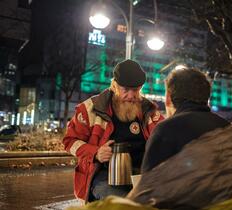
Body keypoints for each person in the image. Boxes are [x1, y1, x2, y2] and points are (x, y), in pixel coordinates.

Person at [127, 68, 232, 210]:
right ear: (206, 99)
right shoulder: (231, 128)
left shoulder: (165, 129)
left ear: (168, 98)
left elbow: (148, 192)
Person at [63, 59, 163, 203]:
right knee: (124, 203)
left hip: (141, 176)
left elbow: (164, 136)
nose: (131, 95)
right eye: (125, 90)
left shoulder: (148, 111)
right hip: (103, 176)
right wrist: (96, 153)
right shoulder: (90, 109)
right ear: (114, 85)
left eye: (135, 90)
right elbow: (69, 141)